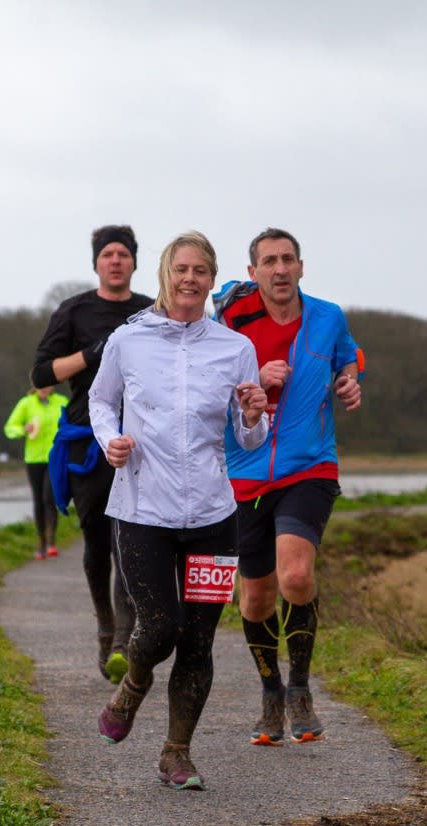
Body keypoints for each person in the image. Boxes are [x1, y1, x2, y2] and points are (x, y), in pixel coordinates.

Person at [90, 231, 269, 790]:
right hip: (143, 509)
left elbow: (251, 439)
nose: (189, 279)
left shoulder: (234, 348)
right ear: (165, 276)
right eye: (180, 269)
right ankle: (134, 684)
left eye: (200, 270)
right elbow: (100, 399)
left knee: (198, 641)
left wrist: (254, 413)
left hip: (215, 515)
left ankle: (176, 754)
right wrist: (109, 439)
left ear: (212, 281)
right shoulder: (129, 339)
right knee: (160, 629)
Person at [212, 227, 363, 747]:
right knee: (255, 599)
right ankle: (270, 693)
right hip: (246, 471)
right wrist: (253, 377)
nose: (280, 269)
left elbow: (350, 356)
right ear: (252, 272)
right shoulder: (231, 320)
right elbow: (206, 382)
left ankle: (300, 687)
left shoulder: (328, 317)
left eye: (288, 259)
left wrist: (349, 380)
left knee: (295, 576)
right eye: (269, 262)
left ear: (301, 266)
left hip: (309, 465)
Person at [32, 225, 152, 684]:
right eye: (108, 255)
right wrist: (90, 354)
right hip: (87, 441)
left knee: (130, 540)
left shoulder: (149, 310)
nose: (116, 261)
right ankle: (106, 627)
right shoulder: (74, 310)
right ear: (97, 263)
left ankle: (124, 639)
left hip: (141, 442)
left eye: (123, 254)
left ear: (134, 262)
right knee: (98, 542)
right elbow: (41, 373)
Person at [3, 384, 70, 559]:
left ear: (53, 386)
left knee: (49, 497)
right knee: (38, 500)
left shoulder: (62, 402)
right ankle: (41, 543)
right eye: (40, 384)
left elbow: (71, 424)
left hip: (55, 458)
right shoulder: (26, 403)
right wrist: (23, 430)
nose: (44, 388)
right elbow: (10, 427)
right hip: (33, 459)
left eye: (47, 384)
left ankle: (51, 542)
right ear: (34, 385)